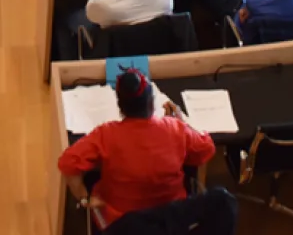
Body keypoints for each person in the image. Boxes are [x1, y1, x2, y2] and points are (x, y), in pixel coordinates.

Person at [57, 70, 217, 231]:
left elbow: (67, 163)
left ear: (120, 106)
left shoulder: (106, 134)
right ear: (151, 102)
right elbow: (206, 148)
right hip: (170, 218)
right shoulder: (175, 129)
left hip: (121, 224)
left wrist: (84, 198)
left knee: (92, 177)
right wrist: (182, 122)